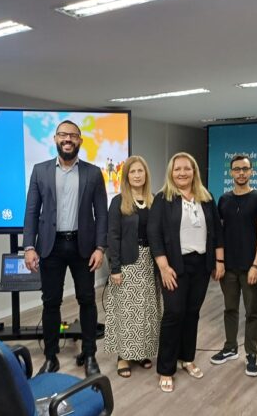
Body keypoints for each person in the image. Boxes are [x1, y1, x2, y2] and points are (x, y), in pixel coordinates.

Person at [23, 120, 108, 376]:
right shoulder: (40, 171)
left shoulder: (93, 173)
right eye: (63, 135)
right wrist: (29, 246)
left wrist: (100, 247)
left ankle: (90, 355)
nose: (67, 139)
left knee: (87, 300)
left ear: (80, 140)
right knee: (50, 303)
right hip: (51, 247)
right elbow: (31, 211)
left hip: (84, 247)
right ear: (55, 139)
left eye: (72, 135)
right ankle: (51, 358)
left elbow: (101, 214)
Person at [148, 152, 224, 393]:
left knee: (192, 313)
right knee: (174, 313)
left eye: (187, 168)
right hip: (173, 265)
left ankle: (187, 358)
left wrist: (219, 260)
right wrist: (163, 267)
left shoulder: (206, 197)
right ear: (171, 172)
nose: (182, 173)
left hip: (201, 265)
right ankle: (166, 369)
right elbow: (154, 234)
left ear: (194, 171)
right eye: (177, 168)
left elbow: (217, 231)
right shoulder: (163, 198)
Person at [210, 154, 257, 377]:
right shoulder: (224, 199)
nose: (241, 173)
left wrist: (256, 265)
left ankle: (251, 354)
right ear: (231, 172)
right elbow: (219, 233)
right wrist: (219, 262)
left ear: (251, 171)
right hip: (228, 267)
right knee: (230, 309)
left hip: (250, 266)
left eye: (245, 169)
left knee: (252, 312)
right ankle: (230, 347)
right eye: (237, 169)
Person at [104, 156, 162, 378]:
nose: (137, 175)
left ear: (146, 174)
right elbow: (113, 236)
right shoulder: (118, 201)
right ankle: (123, 356)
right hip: (128, 262)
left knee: (147, 310)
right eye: (132, 172)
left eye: (140, 171)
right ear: (126, 176)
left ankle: (141, 352)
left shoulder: (154, 201)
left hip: (150, 262)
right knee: (127, 311)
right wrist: (115, 268)